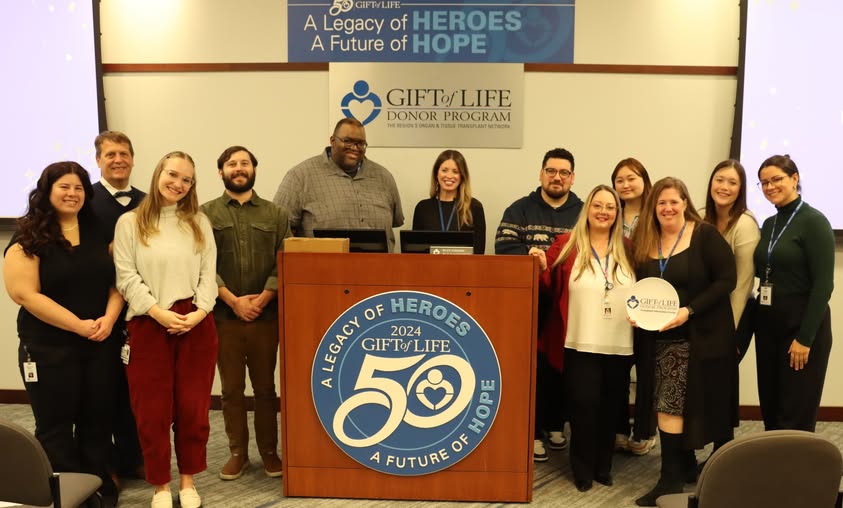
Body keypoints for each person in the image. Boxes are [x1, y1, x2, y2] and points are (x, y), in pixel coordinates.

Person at [3, 162, 124, 506]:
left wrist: (109, 319)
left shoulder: (98, 229)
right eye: (64, 187)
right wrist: (79, 325)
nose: (72, 194)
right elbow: (25, 294)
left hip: (100, 341)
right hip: (48, 347)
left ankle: (98, 485)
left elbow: (119, 281)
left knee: (98, 418)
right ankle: (65, 493)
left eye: (79, 188)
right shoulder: (28, 235)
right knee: (56, 426)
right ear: (47, 191)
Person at [113, 151, 218, 508]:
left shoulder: (199, 222)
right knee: (152, 410)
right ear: (158, 173)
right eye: (172, 175)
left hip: (195, 323)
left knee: (192, 407)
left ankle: (187, 482)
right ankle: (160, 485)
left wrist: (200, 312)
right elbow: (126, 277)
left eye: (186, 180)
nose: (178, 184)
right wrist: (158, 312)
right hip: (148, 323)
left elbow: (209, 275)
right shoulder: (130, 223)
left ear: (192, 186)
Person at [630, 177, 737, 506]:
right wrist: (635, 310)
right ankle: (682, 468)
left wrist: (689, 310)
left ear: (685, 203)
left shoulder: (704, 234)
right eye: (661, 203)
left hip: (700, 336)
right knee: (667, 403)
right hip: (658, 337)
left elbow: (727, 280)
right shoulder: (645, 238)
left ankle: (670, 479)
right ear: (653, 207)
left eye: (673, 201)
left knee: (675, 404)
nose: (667, 208)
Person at [529, 185, 635, 492]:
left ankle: (604, 467)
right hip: (579, 342)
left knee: (610, 409)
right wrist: (537, 263)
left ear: (618, 214)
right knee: (583, 409)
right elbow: (546, 281)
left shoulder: (628, 248)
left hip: (619, 344)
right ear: (587, 209)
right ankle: (582, 470)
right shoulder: (567, 243)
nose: (603, 212)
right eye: (597, 205)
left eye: (610, 207)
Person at [201, 146, 291, 481]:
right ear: (221, 171)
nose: (238, 169)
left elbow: (285, 259)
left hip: (266, 318)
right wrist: (233, 300)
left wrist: (263, 299)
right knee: (231, 391)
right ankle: (238, 453)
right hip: (223, 318)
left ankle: (270, 452)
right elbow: (201, 263)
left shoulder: (276, 214)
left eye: (244, 163)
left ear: (254, 168)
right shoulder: (204, 214)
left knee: (266, 389)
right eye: (231, 164)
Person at [495, 147, 584, 462]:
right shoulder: (519, 210)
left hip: (568, 303)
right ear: (541, 174)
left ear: (572, 178)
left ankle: (555, 424)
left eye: (563, 172)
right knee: (531, 368)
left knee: (561, 365)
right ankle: (532, 432)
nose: (556, 177)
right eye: (551, 171)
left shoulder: (583, 214)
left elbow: (590, 252)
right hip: (528, 302)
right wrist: (538, 261)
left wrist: (547, 259)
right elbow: (504, 249)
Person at [752, 155, 833, 432]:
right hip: (769, 327)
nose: (770, 186)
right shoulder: (770, 223)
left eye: (777, 179)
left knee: (795, 408)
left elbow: (824, 285)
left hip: (801, 327)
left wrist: (805, 338)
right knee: (771, 405)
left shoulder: (814, 221)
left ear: (794, 179)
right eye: (764, 182)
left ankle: (796, 473)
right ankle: (774, 470)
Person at [90, 130, 146, 485]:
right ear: (98, 160)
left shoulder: (148, 201)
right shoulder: (84, 200)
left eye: (124, 153)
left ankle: (133, 458)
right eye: (110, 154)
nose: (118, 160)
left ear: (132, 159)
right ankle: (103, 463)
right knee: (100, 391)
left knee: (135, 390)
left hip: (142, 308)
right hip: (99, 309)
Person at [273, 117, 404, 251]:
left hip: (379, 269)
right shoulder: (300, 176)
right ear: (332, 141)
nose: (354, 148)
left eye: (360, 143)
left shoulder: (384, 177)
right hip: (320, 269)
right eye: (347, 141)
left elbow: (395, 221)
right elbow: (279, 229)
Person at [610, 157, 656, 456]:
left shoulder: (655, 214)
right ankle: (617, 427)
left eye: (632, 178)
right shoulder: (611, 213)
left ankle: (643, 431)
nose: (625, 185)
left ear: (644, 180)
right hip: (615, 303)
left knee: (649, 369)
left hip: (650, 302)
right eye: (620, 180)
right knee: (616, 370)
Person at [412, 149, 486, 254]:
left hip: (464, 269)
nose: (449, 176)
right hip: (429, 269)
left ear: (462, 176)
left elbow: (479, 252)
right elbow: (414, 251)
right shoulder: (422, 208)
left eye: (455, 172)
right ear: (436, 174)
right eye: (444, 170)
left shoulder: (474, 207)